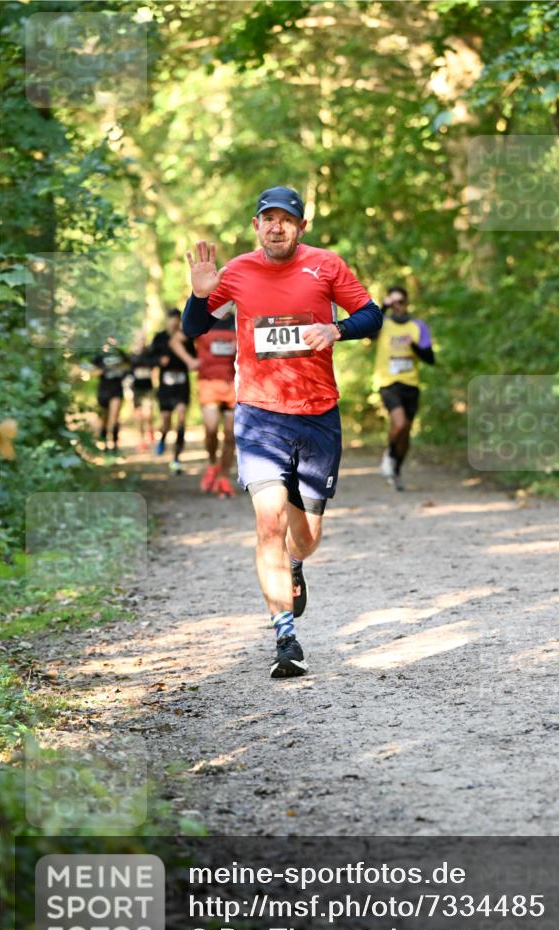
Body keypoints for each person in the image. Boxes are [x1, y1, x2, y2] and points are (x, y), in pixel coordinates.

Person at [182, 185, 382, 678]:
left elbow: (372, 316)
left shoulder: (327, 266)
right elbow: (193, 329)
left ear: (300, 227)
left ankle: (295, 564)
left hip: (317, 414)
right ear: (256, 226)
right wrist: (200, 294)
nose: (276, 226)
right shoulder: (237, 272)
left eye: (286, 219)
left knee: (306, 536)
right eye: (267, 218)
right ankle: (285, 637)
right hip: (259, 415)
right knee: (267, 522)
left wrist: (337, 329)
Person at [373, 285, 434, 490]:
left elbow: (430, 358)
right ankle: (389, 455)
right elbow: (370, 334)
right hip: (388, 382)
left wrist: (413, 346)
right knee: (399, 424)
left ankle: (396, 470)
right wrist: (383, 307)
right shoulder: (383, 324)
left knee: (406, 431)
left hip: (411, 383)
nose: (397, 306)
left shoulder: (418, 326)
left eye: (401, 301)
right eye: (393, 302)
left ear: (407, 303)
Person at [170, 310, 237, 497]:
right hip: (209, 384)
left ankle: (224, 478)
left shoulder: (237, 319)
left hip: (234, 384)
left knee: (231, 435)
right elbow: (175, 341)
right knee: (211, 430)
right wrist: (190, 361)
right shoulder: (203, 319)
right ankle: (213, 464)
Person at [150, 308, 193, 474]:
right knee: (166, 420)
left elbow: (194, 356)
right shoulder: (159, 338)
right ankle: (162, 437)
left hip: (182, 385)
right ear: (167, 320)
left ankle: (176, 458)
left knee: (181, 418)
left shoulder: (186, 338)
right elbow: (148, 357)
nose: (174, 322)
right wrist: (159, 360)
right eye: (172, 319)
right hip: (165, 387)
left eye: (177, 319)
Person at [92, 338, 130, 454]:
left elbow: (129, 366)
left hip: (116, 390)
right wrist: (103, 370)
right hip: (103, 391)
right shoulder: (99, 356)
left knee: (114, 417)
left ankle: (114, 444)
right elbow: (91, 372)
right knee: (104, 419)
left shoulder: (121, 354)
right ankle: (104, 444)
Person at [129, 341, 156, 453]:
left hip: (148, 389)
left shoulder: (150, 354)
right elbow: (128, 374)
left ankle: (150, 430)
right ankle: (141, 441)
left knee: (148, 414)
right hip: (136, 390)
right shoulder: (131, 358)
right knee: (139, 416)